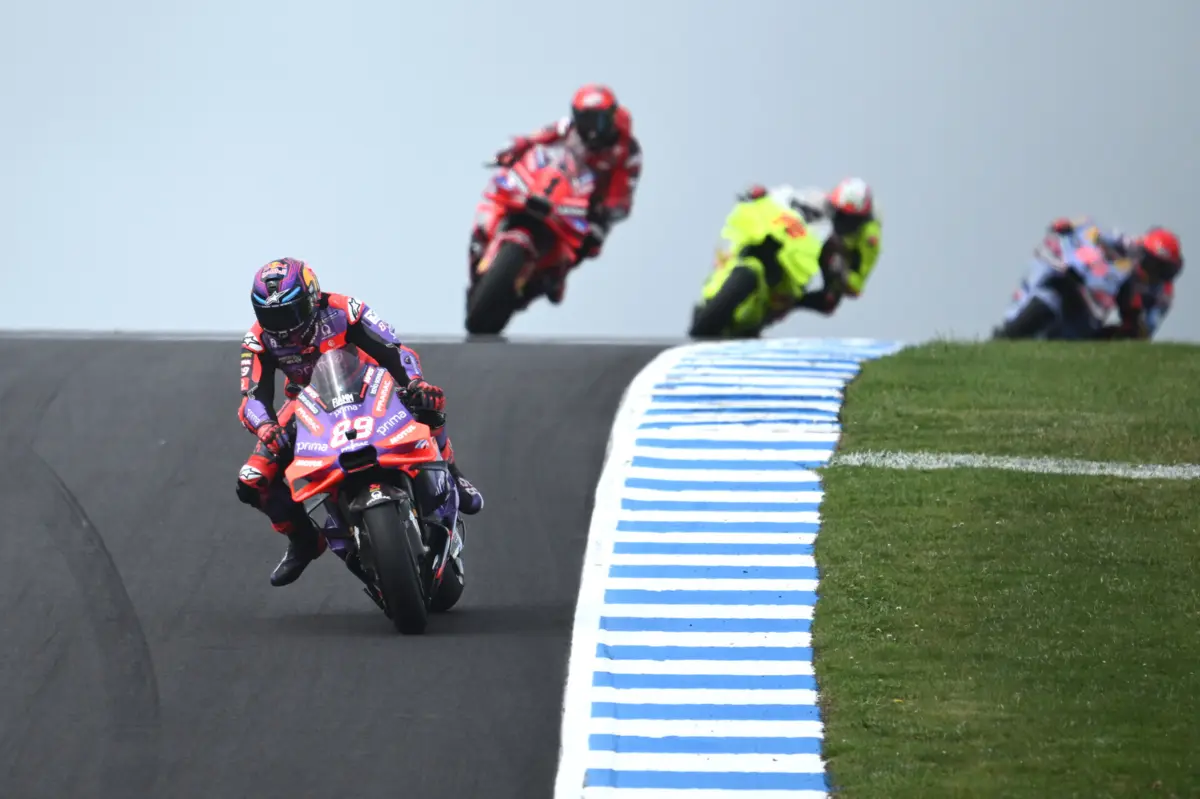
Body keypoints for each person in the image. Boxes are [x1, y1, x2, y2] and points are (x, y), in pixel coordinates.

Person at [235, 258, 484, 587]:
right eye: (272, 317)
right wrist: (267, 427)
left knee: (428, 402)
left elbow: (394, 350)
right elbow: (252, 397)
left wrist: (415, 383)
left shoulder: (345, 309)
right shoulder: (257, 341)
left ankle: (452, 472)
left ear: (312, 297)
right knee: (252, 479)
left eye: (290, 312)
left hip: (372, 384)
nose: (283, 327)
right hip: (307, 402)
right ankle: (305, 540)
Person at [468, 83, 643, 305]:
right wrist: (512, 148)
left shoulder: (627, 151)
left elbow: (622, 193)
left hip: (588, 207)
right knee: (499, 188)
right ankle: (482, 241)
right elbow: (535, 138)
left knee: (590, 244)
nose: (591, 130)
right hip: (550, 188)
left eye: (597, 121)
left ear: (611, 117)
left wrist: (608, 210)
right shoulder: (567, 127)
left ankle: (552, 277)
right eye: (585, 120)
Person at [735, 178, 882, 324]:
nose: (843, 221)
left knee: (829, 301)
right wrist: (764, 194)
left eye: (850, 219)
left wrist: (841, 271)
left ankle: (789, 303)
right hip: (809, 236)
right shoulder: (825, 201)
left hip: (836, 255)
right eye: (839, 214)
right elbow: (791, 196)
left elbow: (857, 287)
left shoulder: (870, 239)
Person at [1045, 216, 1184, 339]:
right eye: (1153, 264)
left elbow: (1148, 328)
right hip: (1096, 281)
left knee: (1132, 333)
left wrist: (1132, 327)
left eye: (1164, 269)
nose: (1155, 273)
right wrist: (1072, 225)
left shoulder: (1164, 295)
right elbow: (1095, 232)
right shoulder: (1129, 244)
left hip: (1114, 305)